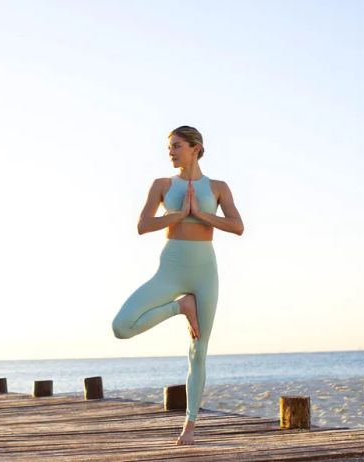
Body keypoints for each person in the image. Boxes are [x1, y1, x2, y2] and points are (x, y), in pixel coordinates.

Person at [111, 125, 244, 445]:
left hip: (204, 272)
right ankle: (180, 307)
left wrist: (199, 213)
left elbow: (237, 227)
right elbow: (143, 226)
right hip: (170, 271)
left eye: (176, 146)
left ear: (195, 148)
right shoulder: (161, 185)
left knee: (199, 351)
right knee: (121, 327)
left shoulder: (218, 187)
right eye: (169, 147)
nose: (170, 152)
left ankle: (189, 428)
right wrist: (179, 214)